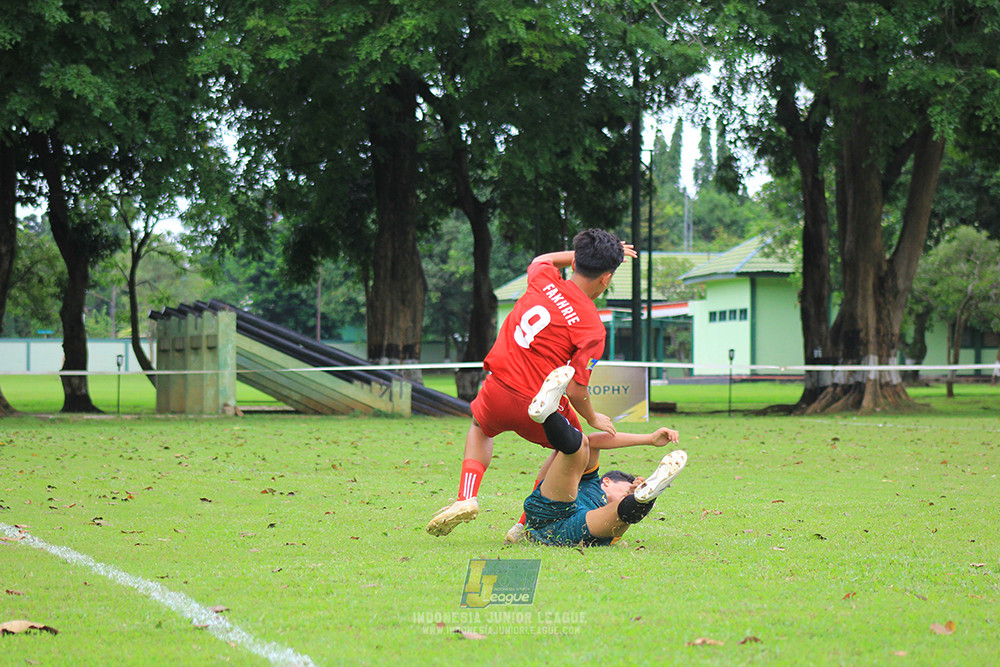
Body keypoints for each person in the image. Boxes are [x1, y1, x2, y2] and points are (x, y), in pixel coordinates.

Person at [427, 229, 640, 538]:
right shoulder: (593, 327)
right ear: (606, 279)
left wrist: (582, 255)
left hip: (498, 387)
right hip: (537, 400)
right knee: (573, 448)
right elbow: (578, 389)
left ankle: (467, 496)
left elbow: (543, 259)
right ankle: (523, 525)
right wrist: (594, 417)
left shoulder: (542, 277)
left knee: (479, 428)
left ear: (576, 261)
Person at [521, 366, 687, 546]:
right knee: (582, 444)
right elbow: (595, 442)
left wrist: (633, 495)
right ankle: (547, 414)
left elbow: (616, 527)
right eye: (626, 488)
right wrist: (650, 439)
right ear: (607, 482)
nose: (627, 490)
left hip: (579, 529)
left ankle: (644, 498)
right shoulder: (589, 480)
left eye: (630, 490)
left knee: (622, 516)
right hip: (549, 513)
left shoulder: (605, 512)